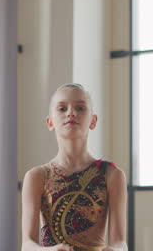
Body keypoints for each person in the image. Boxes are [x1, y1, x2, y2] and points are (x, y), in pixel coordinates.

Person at [21, 83, 128, 251]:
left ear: (93, 121)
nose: (71, 113)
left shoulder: (112, 175)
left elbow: (120, 242)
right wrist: (47, 250)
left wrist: (116, 250)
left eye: (80, 108)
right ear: (50, 122)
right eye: (62, 109)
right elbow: (27, 244)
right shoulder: (37, 176)